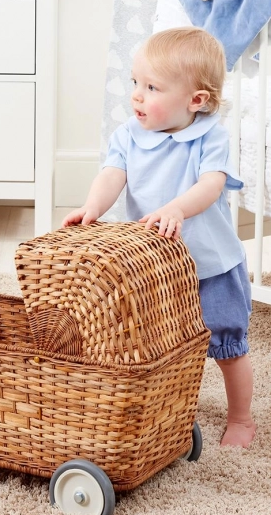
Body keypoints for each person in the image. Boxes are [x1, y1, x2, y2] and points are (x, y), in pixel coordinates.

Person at [62, 27, 256, 448]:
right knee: (157, 342)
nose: (136, 95)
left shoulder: (210, 136)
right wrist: (94, 207)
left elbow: (211, 185)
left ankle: (241, 418)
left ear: (196, 101)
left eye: (151, 87)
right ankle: (164, 406)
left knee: (227, 343)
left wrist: (176, 208)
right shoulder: (128, 135)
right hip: (157, 269)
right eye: (135, 83)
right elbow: (113, 174)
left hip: (210, 265)